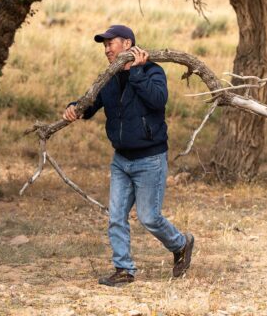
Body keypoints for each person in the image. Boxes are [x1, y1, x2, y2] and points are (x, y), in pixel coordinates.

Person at [63, 25, 194, 287]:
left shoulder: (152, 71)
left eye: (111, 44)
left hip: (150, 159)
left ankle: (181, 244)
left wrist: (136, 72)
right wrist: (74, 108)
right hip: (121, 160)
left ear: (127, 44)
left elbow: (158, 100)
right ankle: (124, 270)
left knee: (149, 218)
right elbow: (91, 102)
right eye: (104, 45)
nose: (106, 49)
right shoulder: (109, 77)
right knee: (116, 217)